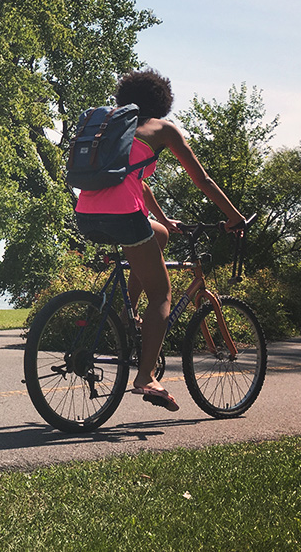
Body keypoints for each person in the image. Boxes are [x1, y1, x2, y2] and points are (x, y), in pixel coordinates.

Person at [74, 68, 246, 412]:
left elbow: (139, 184)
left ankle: (127, 311)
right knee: (163, 296)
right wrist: (234, 216)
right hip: (124, 217)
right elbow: (203, 179)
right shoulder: (162, 130)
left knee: (159, 234)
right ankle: (146, 377)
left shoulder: (114, 128)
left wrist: (165, 220)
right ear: (162, 102)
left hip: (86, 213)